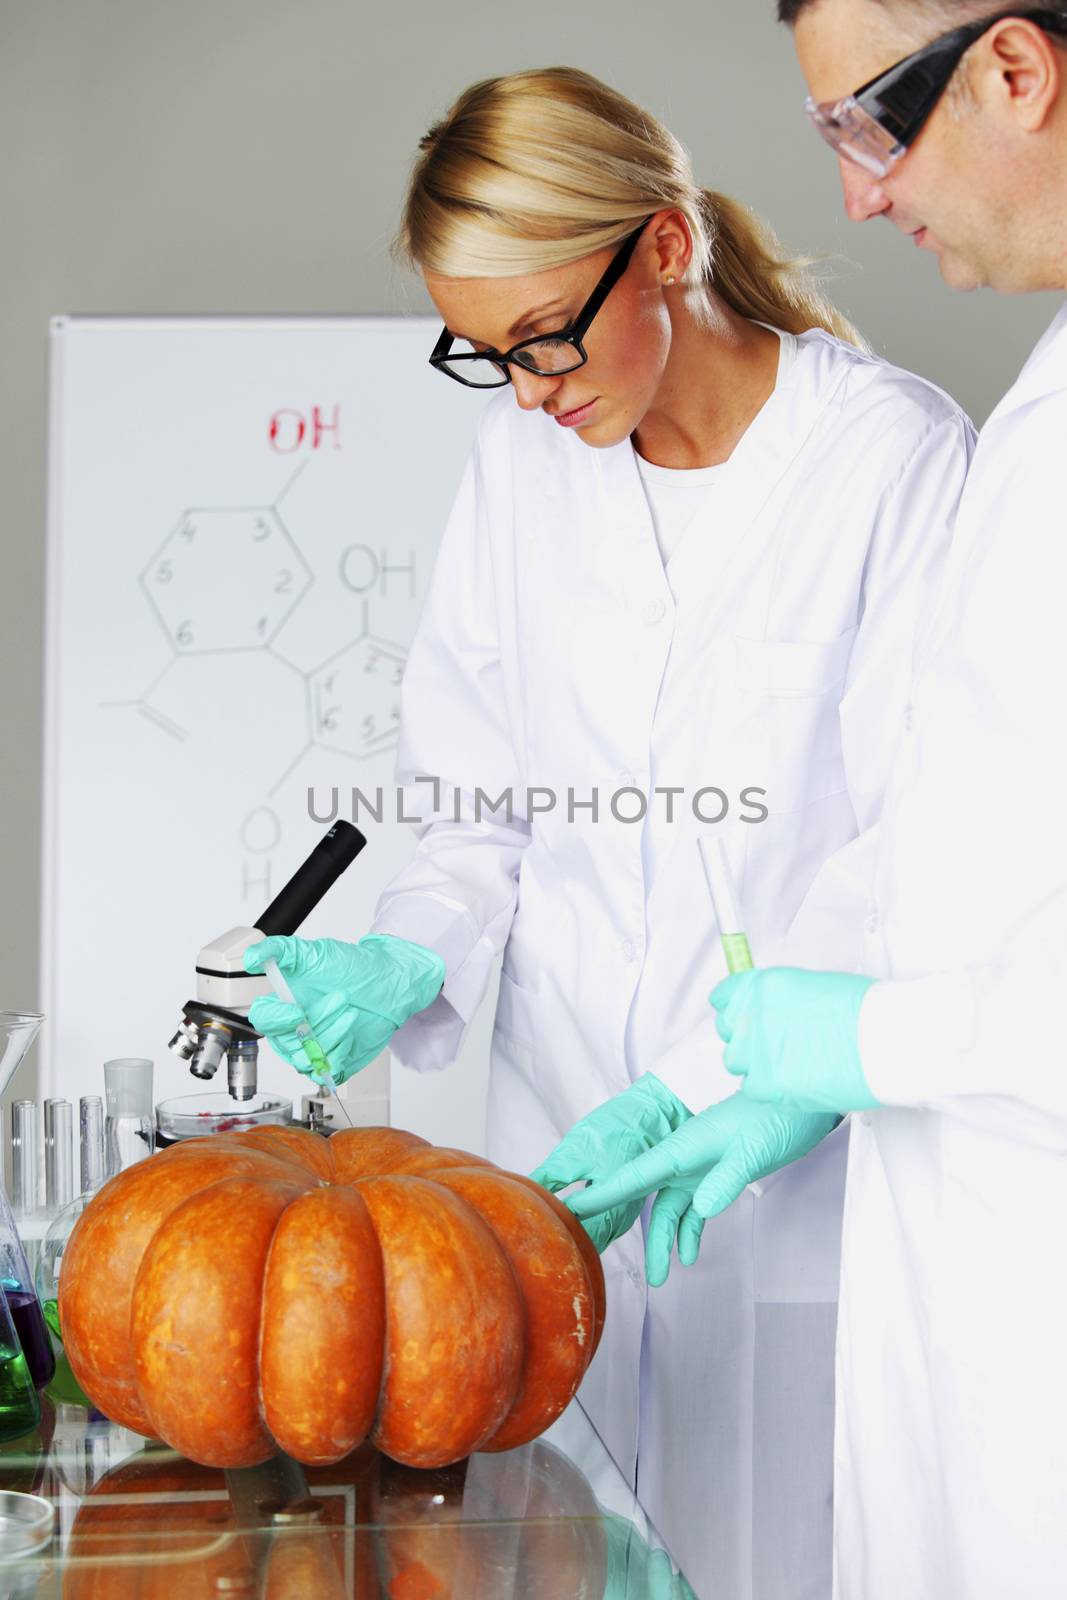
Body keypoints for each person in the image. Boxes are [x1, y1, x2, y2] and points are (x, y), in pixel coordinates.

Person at [243, 66, 973, 1599]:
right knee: (550, 1554)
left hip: (776, 1165)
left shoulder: (886, 460)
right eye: (483, 354)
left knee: (783, 1551)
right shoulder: (520, 472)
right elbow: (473, 809)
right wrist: (405, 947)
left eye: (542, 337)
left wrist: (698, 1087)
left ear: (664, 245)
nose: (527, 391)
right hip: (546, 1145)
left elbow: (908, 853)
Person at [571, 8, 1067, 1597]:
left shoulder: (925, 446)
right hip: (964, 1295)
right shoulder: (1042, 420)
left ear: (1015, 69)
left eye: (867, 127)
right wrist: (715, 1067)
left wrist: (869, 1045)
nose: (856, 197)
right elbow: (941, 828)